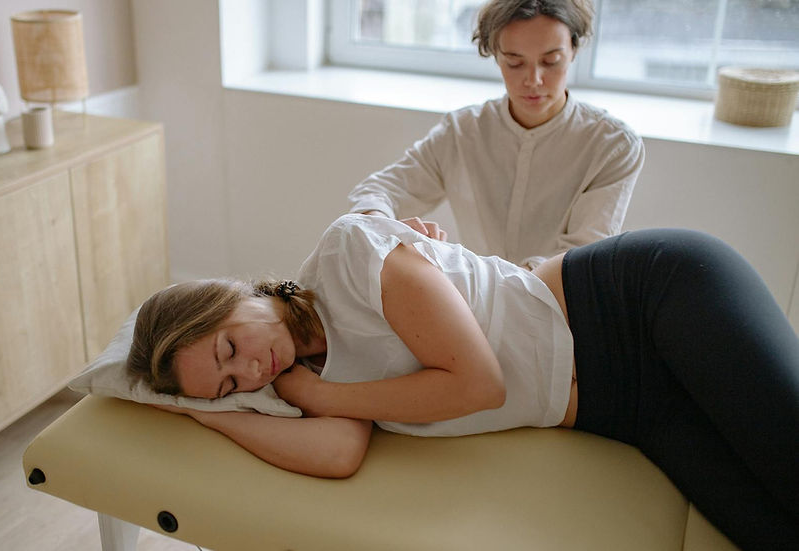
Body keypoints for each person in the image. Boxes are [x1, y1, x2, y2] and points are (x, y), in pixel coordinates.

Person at [127, 214, 798, 550]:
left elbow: (480, 382)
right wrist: (201, 413)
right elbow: (338, 454)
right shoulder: (304, 375)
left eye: (229, 348)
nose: (249, 372)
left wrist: (321, 397)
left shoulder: (347, 255)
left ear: (231, 296)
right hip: (629, 408)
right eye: (228, 383)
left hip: (644, 303)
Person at [349, 0, 645, 269]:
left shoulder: (613, 146)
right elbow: (381, 190)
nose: (533, 80)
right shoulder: (462, 132)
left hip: (557, 308)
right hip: (473, 300)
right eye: (515, 62)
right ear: (495, 56)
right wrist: (382, 225)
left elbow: (580, 256)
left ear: (574, 51)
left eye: (551, 61)